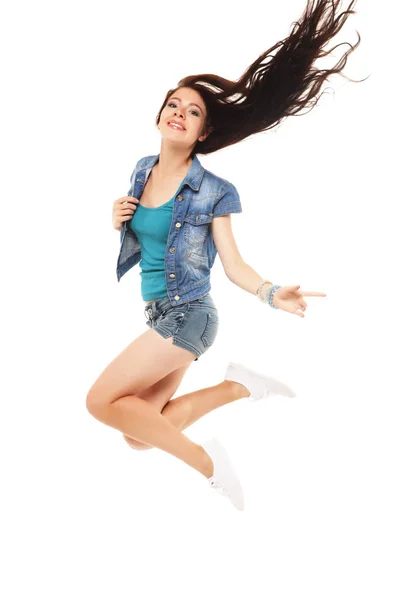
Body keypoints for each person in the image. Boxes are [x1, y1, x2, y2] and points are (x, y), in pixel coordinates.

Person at [86, 0, 363, 511]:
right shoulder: (142, 171)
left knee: (99, 402)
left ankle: (210, 465)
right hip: (160, 314)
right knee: (138, 434)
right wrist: (116, 219)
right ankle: (240, 387)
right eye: (174, 104)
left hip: (190, 316)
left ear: (203, 132)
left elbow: (232, 263)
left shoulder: (214, 190)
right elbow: (142, 238)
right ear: (160, 113)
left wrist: (271, 292)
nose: (180, 114)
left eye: (193, 112)